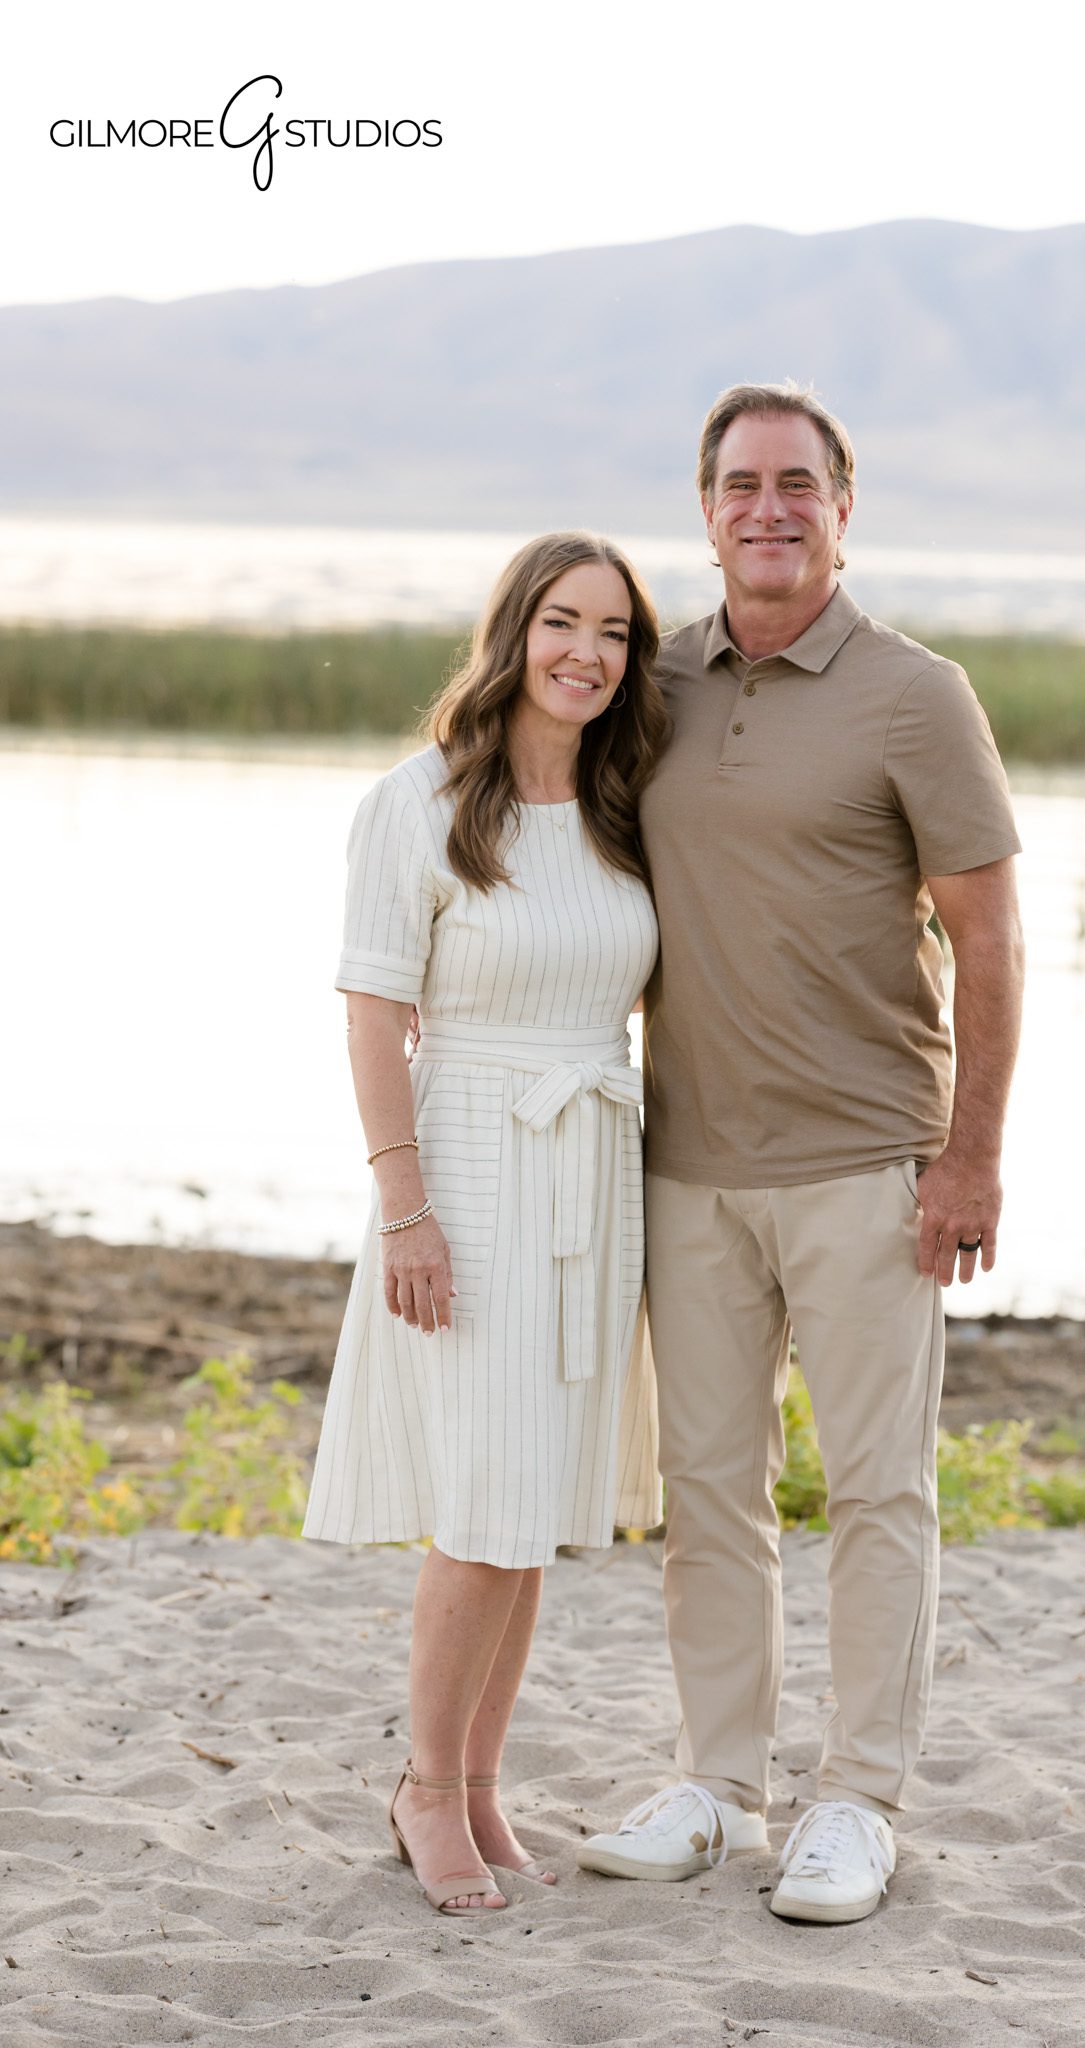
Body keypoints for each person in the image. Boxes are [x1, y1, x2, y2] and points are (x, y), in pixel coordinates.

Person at [578, 383, 1025, 1924]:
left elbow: (988, 938)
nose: (766, 507)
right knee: (707, 1490)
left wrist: (969, 1158)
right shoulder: (656, 685)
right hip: (684, 1161)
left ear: (845, 507)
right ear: (704, 509)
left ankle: (859, 1801)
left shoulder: (917, 693)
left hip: (866, 1166)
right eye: (737, 483)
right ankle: (717, 1780)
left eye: (797, 484)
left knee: (877, 1493)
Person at [302, 532, 667, 1915]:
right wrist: (405, 1209)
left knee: (531, 1510)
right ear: (511, 631)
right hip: (468, 1164)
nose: (587, 653)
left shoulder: (626, 807)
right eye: (563, 622)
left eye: (617, 634)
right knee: (478, 1512)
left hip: (593, 1167)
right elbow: (373, 1015)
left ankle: (477, 1783)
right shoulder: (420, 802)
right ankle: (422, 1786)